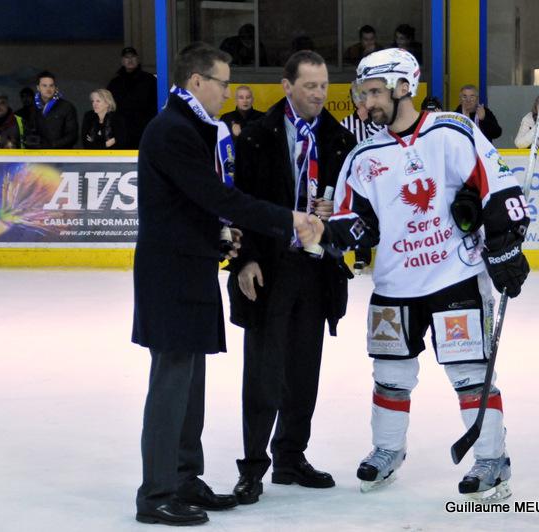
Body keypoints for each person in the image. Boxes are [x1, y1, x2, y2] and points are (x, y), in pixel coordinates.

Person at [323, 48, 531, 499]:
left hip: (454, 277)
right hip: (394, 284)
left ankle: (491, 458)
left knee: (470, 372)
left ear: (404, 87)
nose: (366, 103)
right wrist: (332, 235)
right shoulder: (363, 155)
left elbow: (498, 187)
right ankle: (387, 449)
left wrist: (504, 247)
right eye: (363, 93)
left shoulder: (451, 132)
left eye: (374, 92)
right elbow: (355, 220)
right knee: (389, 373)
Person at [132, 42, 323, 526]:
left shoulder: (190, 127)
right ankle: (156, 493)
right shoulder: (173, 131)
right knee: (171, 385)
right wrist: (288, 218)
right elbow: (215, 196)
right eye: (222, 83)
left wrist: (220, 236)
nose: (227, 92)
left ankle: (184, 478)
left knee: (189, 384)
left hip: (189, 271)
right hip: (170, 277)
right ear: (197, 81)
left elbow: (190, 207)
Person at [226, 50, 357, 505]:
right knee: (263, 372)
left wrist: (336, 213)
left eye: (323, 86)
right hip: (270, 268)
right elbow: (239, 203)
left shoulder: (339, 139)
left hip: (317, 269)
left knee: (304, 369)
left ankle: (290, 456)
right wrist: (244, 261)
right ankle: (252, 466)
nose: (319, 94)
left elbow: (356, 205)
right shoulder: (255, 137)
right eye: (310, 86)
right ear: (287, 86)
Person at [339, 80, 383, 270]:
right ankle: (362, 256)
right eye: (358, 96)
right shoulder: (345, 123)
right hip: (358, 178)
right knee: (360, 214)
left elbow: (382, 137)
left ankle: (387, 252)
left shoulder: (380, 120)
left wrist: (367, 120)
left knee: (383, 213)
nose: (362, 101)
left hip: (381, 174)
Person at [106, 47, 158, 149]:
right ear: (122, 61)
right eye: (127, 57)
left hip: (144, 128)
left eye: (133, 57)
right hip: (122, 130)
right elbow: (109, 105)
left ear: (137, 59)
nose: (130, 60)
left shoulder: (149, 80)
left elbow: (157, 103)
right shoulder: (115, 83)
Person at [25, 71, 78, 149]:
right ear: (38, 88)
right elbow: (28, 132)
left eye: (51, 85)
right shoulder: (33, 107)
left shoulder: (66, 107)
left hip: (62, 153)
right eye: (44, 85)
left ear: (55, 88)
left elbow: (72, 135)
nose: (48, 89)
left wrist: (52, 145)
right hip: (39, 153)